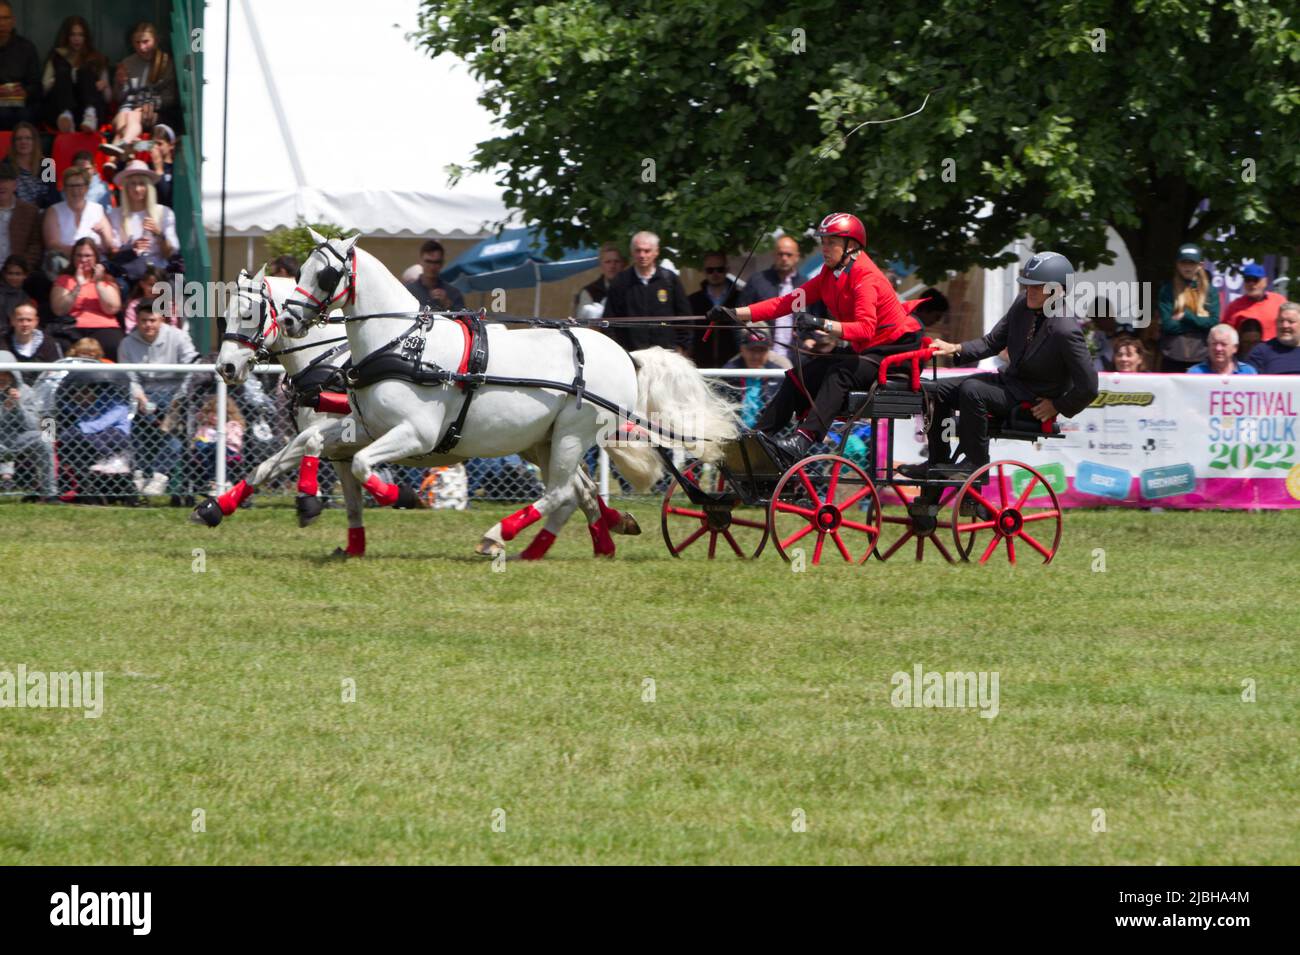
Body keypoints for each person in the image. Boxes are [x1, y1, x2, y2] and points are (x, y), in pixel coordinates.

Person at [713, 212, 923, 461]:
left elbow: (865, 329)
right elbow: (785, 303)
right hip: (866, 352)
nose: (824, 248)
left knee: (840, 372)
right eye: (822, 241)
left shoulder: (865, 279)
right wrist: (735, 314)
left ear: (851, 245)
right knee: (797, 375)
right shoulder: (829, 274)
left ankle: (803, 440)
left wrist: (821, 323)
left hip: (894, 355)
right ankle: (756, 440)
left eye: (831, 242)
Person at [906, 251, 1099, 480]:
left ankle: (974, 463)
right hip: (1008, 384)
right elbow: (992, 342)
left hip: (1031, 398)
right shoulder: (1022, 304)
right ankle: (937, 462)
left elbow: (1089, 386)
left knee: (973, 390)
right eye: (1027, 285)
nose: (1029, 291)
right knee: (933, 391)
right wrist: (956, 348)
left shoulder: (1066, 330)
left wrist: (1057, 405)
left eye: (1037, 287)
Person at [118, 308, 196, 495]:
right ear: (136, 320)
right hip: (143, 397)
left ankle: (158, 476)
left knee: (173, 436)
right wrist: (141, 397)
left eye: (152, 320)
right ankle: (140, 474)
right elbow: (130, 378)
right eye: (144, 320)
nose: (148, 325)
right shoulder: (127, 343)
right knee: (137, 430)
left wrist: (178, 398)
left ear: (161, 319)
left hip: (176, 395)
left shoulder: (178, 337)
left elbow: (192, 370)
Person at [102, 23, 177, 168]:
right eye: (137, 43)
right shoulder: (128, 63)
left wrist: (151, 105)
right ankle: (125, 152)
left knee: (131, 116)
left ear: (155, 40)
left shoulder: (165, 63)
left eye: (146, 42)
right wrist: (119, 83)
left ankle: (115, 156)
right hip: (129, 108)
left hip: (155, 112)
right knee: (123, 119)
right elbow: (118, 98)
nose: (142, 47)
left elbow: (171, 98)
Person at [603, 230, 692, 354]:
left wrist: (681, 347)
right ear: (632, 252)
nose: (642, 255)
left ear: (656, 252)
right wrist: (619, 352)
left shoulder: (669, 280)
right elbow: (609, 321)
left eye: (647, 251)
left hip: (666, 355)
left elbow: (685, 318)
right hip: (632, 355)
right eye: (638, 250)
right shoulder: (620, 282)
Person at [739, 235, 807, 363]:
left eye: (789, 254)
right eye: (780, 254)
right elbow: (739, 318)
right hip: (760, 357)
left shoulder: (805, 285)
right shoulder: (757, 281)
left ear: (797, 256)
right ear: (773, 255)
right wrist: (744, 347)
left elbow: (814, 317)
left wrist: (810, 339)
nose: (784, 258)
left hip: (798, 358)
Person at [50, 237, 122, 358]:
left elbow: (112, 308)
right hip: (73, 327)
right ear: (73, 258)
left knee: (114, 344)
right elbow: (59, 310)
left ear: (96, 258)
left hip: (104, 327)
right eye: (79, 256)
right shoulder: (64, 280)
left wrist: (98, 283)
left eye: (88, 256)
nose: (83, 260)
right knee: (61, 344)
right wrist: (78, 286)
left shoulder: (107, 280)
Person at [107, 159, 177, 282]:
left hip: (157, 274)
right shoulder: (114, 214)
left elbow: (170, 253)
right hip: (127, 273)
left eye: (142, 184)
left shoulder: (164, 212)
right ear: (126, 187)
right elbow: (111, 252)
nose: (137, 189)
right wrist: (131, 248)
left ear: (149, 187)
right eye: (132, 184)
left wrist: (159, 234)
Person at [42, 164, 116, 276]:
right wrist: (82, 254)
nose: (75, 190)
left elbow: (109, 246)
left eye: (79, 186)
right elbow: (52, 244)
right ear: (64, 188)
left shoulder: (98, 209)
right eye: (71, 186)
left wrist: (102, 235)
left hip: (95, 266)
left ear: (86, 188)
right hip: (65, 265)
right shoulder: (54, 211)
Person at [1156, 243, 1219, 372]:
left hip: (1202, 357)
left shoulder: (1210, 291)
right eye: (1183, 263)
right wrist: (1200, 324)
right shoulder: (1167, 290)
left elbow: (1213, 323)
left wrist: (1186, 316)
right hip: (1173, 356)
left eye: (1192, 263)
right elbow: (1167, 325)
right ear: (1177, 264)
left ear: (1200, 265)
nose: (1187, 267)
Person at [41, 16, 109, 133]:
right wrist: (55, 81)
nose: (76, 39)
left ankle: (90, 114)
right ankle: (66, 115)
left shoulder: (96, 57)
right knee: (63, 72)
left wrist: (104, 86)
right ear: (67, 36)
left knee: (84, 71)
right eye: (73, 35)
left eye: (80, 35)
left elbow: (108, 97)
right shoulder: (57, 57)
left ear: (85, 37)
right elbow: (44, 88)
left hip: (87, 111)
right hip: (60, 112)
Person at [0, 349, 54, 497]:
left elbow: (33, 425)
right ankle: (6, 475)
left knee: (45, 438)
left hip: (17, 437)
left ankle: (49, 493)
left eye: (6, 373)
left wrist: (17, 406)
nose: (2, 378)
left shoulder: (25, 391)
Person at [687, 251, 743, 368]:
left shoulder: (740, 298)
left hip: (734, 365)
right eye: (710, 270)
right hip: (701, 364)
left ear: (727, 269)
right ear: (704, 271)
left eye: (720, 269)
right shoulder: (692, 300)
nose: (715, 273)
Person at [721, 327, 784, 428]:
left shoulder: (778, 374)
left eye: (762, 351)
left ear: (769, 351)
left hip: (768, 433)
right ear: (742, 349)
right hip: (734, 431)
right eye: (752, 350)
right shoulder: (729, 373)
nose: (756, 356)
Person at [190, 394, 243, 497]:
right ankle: (212, 482)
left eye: (218, 413)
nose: (214, 417)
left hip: (229, 453)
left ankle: (222, 481)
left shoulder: (231, 425)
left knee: (217, 447)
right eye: (211, 413)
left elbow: (235, 443)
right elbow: (197, 441)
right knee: (203, 447)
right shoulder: (204, 427)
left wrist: (223, 437)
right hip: (207, 454)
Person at [0, 2, 40, 130]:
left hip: (22, 102)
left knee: (26, 115)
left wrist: (25, 92)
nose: (1, 23)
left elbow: (36, 84)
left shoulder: (26, 47)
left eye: (5, 18)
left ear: (13, 21)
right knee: (3, 113)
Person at [1222, 263, 1286, 342]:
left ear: (1265, 281)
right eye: (1247, 279)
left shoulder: (1279, 301)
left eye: (1255, 279)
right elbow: (1225, 335)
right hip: (1247, 352)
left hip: (1275, 352)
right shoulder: (1234, 307)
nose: (1251, 284)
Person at [0, 161, 41, 275]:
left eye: (5, 181)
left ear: (15, 184)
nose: (1, 185)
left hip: (19, 273)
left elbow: (35, 245)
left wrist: (21, 268)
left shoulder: (30, 211)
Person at [403, 238, 464, 311]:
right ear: (420, 261)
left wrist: (448, 304)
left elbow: (462, 320)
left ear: (442, 263)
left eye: (436, 262)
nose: (432, 267)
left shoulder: (453, 293)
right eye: (428, 261)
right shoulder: (408, 292)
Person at [5, 121, 54, 208]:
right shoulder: (6, 165)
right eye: (19, 139)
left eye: (28, 138)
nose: (23, 142)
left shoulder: (47, 164)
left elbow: (52, 194)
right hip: (15, 213)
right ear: (14, 143)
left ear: (34, 141)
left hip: (42, 211)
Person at [1245, 301, 1300, 374]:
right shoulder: (1261, 351)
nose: (1285, 325)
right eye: (1281, 321)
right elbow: (1249, 382)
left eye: (1291, 321)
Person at [574, 242, 625, 318]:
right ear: (601, 265)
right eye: (608, 262)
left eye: (616, 261)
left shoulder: (632, 288)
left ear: (623, 264)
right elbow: (583, 323)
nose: (612, 266)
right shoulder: (590, 292)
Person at [122, 265, 178, 332]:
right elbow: (130, 328)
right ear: (142, 284)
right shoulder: (134, 305)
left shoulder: (169, 305)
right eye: (151, 285)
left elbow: (173, 327)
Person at [1187, 323, 1256, 375]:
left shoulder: (1248, 372)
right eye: (1214, 344)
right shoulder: (1195, 373)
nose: (1218, 348)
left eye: (1223, 344)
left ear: (1235, 348)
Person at [146, 123, 174, 207]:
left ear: (170, 145)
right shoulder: (146, 166)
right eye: (152, 144)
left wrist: (158, 168)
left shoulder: (175, 169)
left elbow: (167, 197)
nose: (155, 147)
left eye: (159, 144)